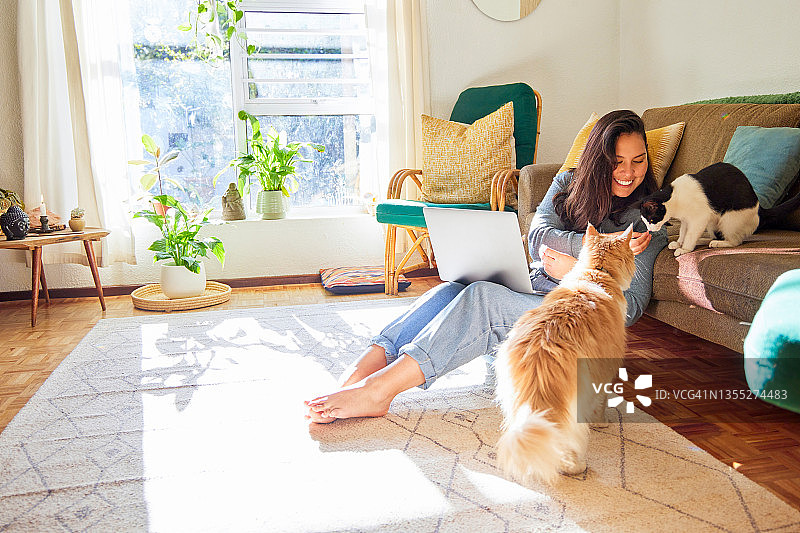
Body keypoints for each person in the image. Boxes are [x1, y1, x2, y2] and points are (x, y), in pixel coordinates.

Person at [304, 109, 669, 423]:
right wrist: (590, 252)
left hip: (571, 316)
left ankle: (379, 391)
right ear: (597, 160)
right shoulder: (569, 183)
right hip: (533, 286)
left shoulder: (650, 220)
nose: (628, 172)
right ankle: (364, 369)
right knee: (455, 287)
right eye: (617, 161)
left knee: (483, 298)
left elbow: (630, 308)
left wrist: (573, 272)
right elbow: (538, 235)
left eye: (638, 161)